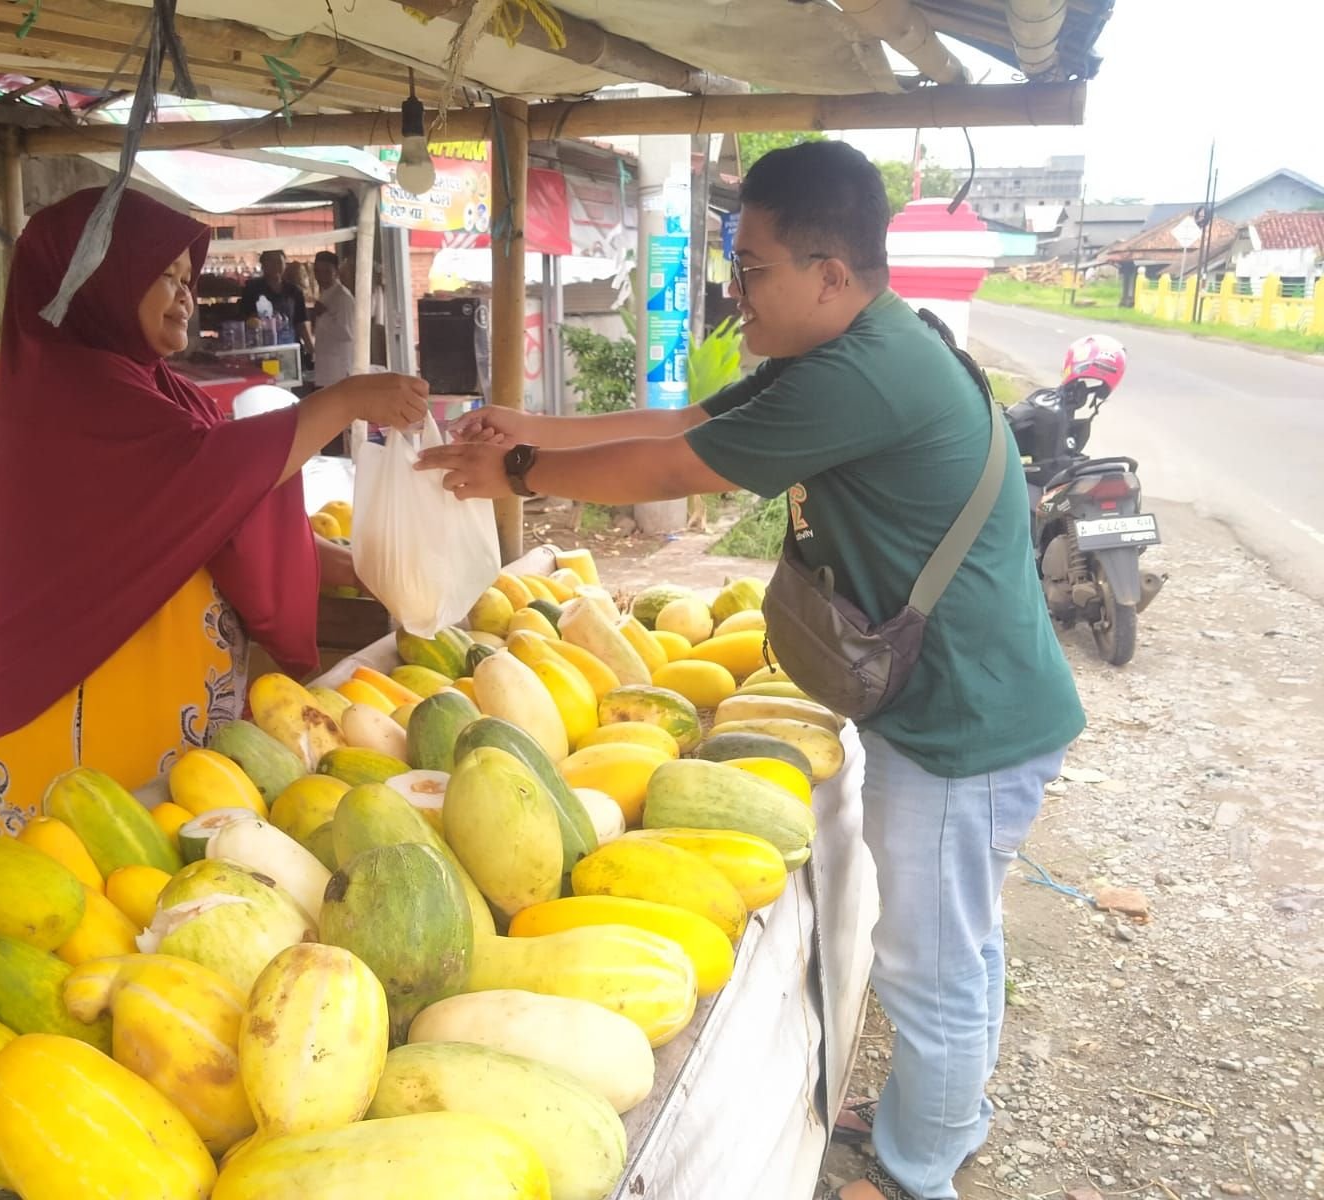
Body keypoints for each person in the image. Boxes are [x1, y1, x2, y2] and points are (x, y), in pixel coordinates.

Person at [418, 141, 1084, 1200]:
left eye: (755, 268)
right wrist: (530, 432)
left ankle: (919, 1172)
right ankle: (938, 1112)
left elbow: (686, 465)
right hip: (960, 702)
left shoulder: (864, 373)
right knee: (953, 940)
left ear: (830, 274)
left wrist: (519, 472)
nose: (740, 293)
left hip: (966, 721)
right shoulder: (855, 349)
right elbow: (692, 419)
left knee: (929, 959)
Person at [0, 187, 427, 835]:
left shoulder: (158, 390)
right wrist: (345, 401)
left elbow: (222, 513)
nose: (186, 294)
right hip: (68, 706)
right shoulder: (67, 393)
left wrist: (360, 566)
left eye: (188, 278)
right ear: (97, 281)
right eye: (164, 276)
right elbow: (214, 472)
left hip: (152, 714)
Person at [238, 249, 313, 356]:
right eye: (270, 262)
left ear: (284, 264)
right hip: (262, 349)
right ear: (263, 265)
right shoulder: (252, 288)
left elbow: (300, 322)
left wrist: (311, 349)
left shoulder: (294, 291)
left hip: (289, 348)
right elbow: (245, 317)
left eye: (279, 262)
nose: (275, 266)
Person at [310, 250, 358, 390]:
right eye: (317, 271)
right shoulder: (325, 294)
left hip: (338, 369)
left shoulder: (342, 297)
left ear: (336, 272)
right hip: (325, 366)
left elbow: (347, 333)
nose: (321, 276)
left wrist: (323, 315)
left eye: (326, 271)